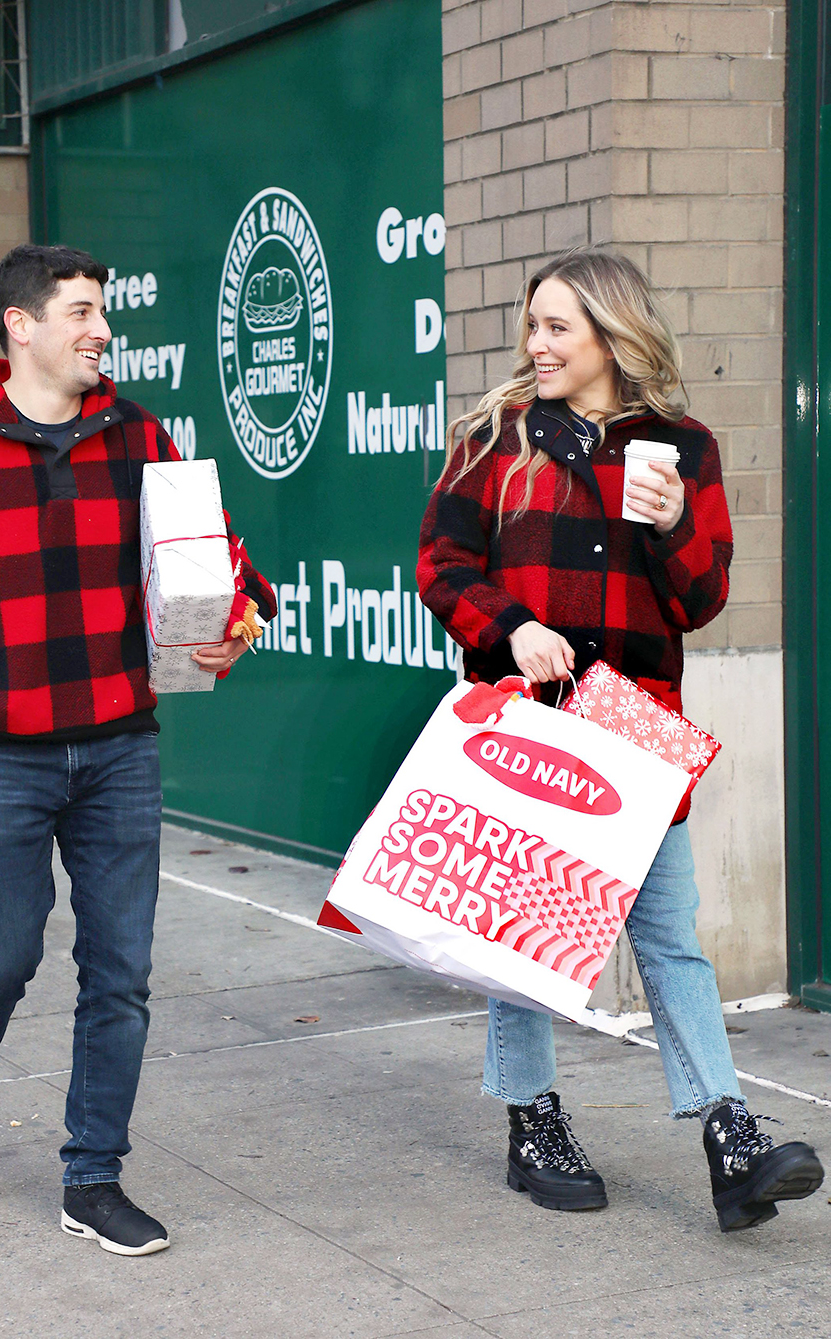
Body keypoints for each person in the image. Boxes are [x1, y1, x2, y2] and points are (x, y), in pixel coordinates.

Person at [0, 244, 276, 1256]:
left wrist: (240, 610)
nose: (100, 329)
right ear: (21, 325)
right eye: (82, 310)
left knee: (120, 971)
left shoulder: (134, 431)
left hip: (119, 743)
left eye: (103, 311)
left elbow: (208, 551)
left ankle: (92, 1177)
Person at [417, 247, 823, 1232]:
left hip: (634, 724)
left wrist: (676, 520)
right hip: (530, 718)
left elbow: (700, 596)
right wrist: (508, 626)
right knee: (526, 942)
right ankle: (533, 1120)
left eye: (558, 325)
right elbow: (439, 563)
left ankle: (729, 1136)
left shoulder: (682, 447)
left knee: (669, 943)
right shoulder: (493, 437)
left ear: (611, 333)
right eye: (533, 324)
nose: (536, 343)